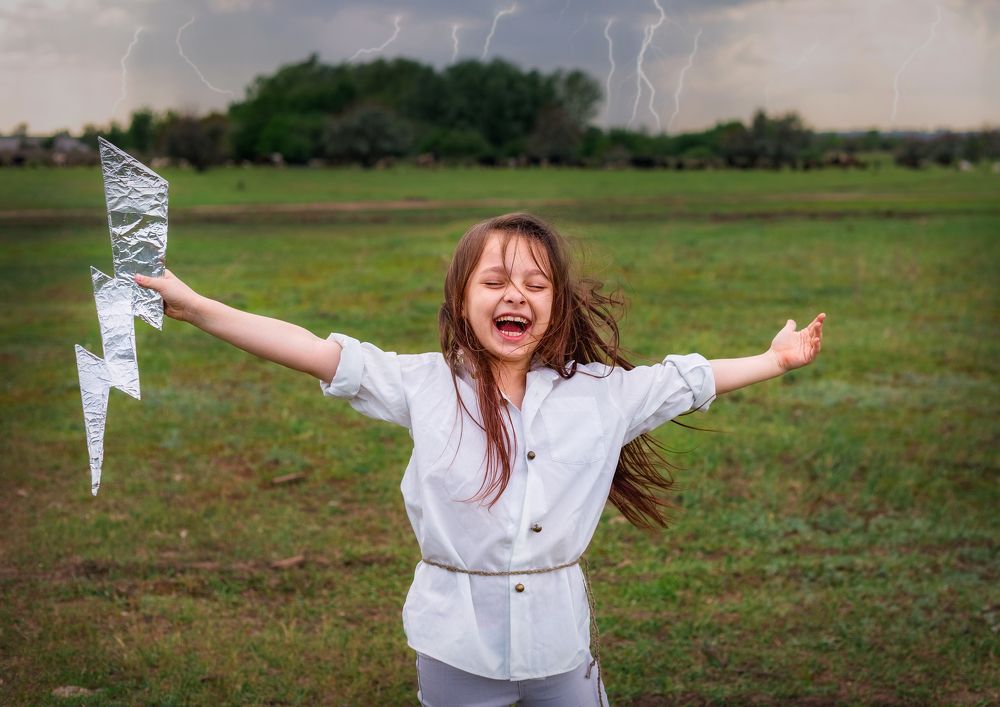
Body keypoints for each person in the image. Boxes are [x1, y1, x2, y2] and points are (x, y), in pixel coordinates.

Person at [136, 212, 825, 707]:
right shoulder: (421, 382)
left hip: (560, 647)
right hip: (456, 646)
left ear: (555, 307)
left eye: (535, 284)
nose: (514, 295)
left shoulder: (604, 394)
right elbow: (312, 349)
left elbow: (690, 379)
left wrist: (775, 360)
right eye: (494, 280)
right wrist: (195, 308)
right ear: (463, 300)